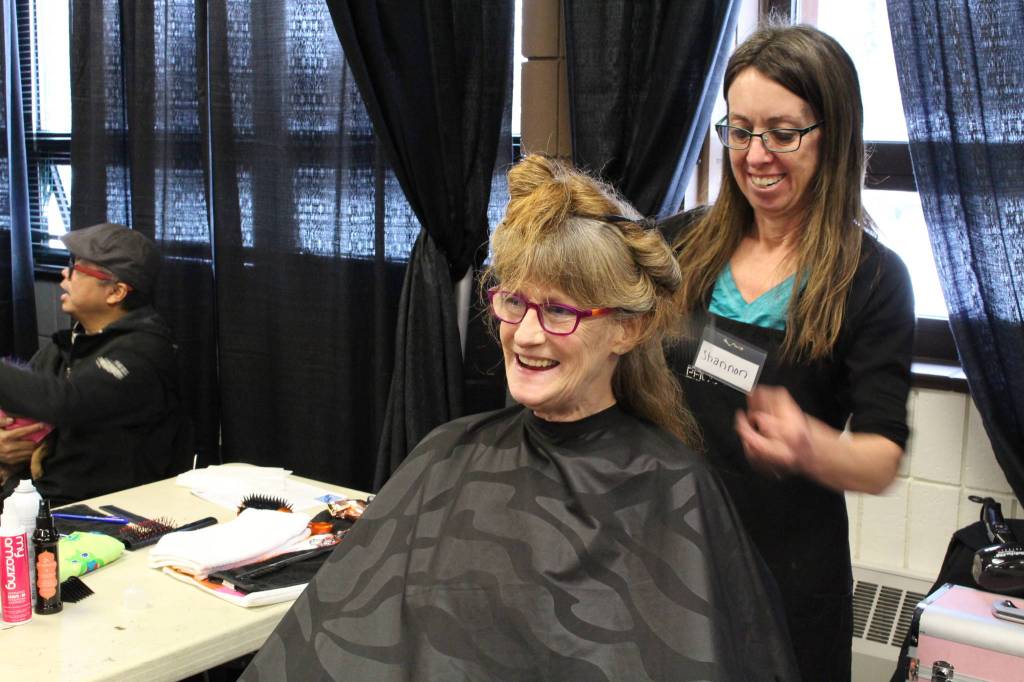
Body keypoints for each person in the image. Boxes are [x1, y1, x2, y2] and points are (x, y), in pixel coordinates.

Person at [241, 155, 799, 681]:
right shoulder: (446, 454)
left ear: (626, 329)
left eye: (559, 310)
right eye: (514, 301)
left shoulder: (674, 489)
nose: (527, 334)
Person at [661, 24, 914, 681]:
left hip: (787, 578)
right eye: (740, 131)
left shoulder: (873, 279)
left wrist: (809, 444)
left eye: (783, 132)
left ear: (832, 133)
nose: (756, 155)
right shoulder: (677, 248)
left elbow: (881, 458)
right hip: (670, 561)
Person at [0, 222, 191, 508]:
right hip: (32, 498)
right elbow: (26, 405)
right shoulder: (68, 344)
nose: (64, 274)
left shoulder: (143, 354)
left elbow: (67, 402)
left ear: (116, 292)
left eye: (77, 268)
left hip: (98, 512)